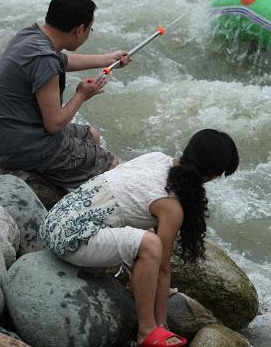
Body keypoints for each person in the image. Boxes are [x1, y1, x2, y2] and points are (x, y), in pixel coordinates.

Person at [39, 128, 239, 347]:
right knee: (152, 246)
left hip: (54, 220)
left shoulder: (157, 158)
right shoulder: (171, 206)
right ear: (211, 176)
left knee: (147, 242)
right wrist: (163, 324)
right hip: (71, 240)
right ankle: (147, 331)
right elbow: (163, 268)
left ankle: (143, 300)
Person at [0, 0, 132, 192]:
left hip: (10, 134)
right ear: (79, 30)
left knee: (93, 136)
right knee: (112, 164)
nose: (89, 32)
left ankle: (79, 186)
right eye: (90, 29)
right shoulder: (45, 60)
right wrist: (82, 94)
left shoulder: (31, 36)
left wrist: (109, 59)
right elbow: (54, 123)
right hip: (26, 147)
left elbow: (63, 61)